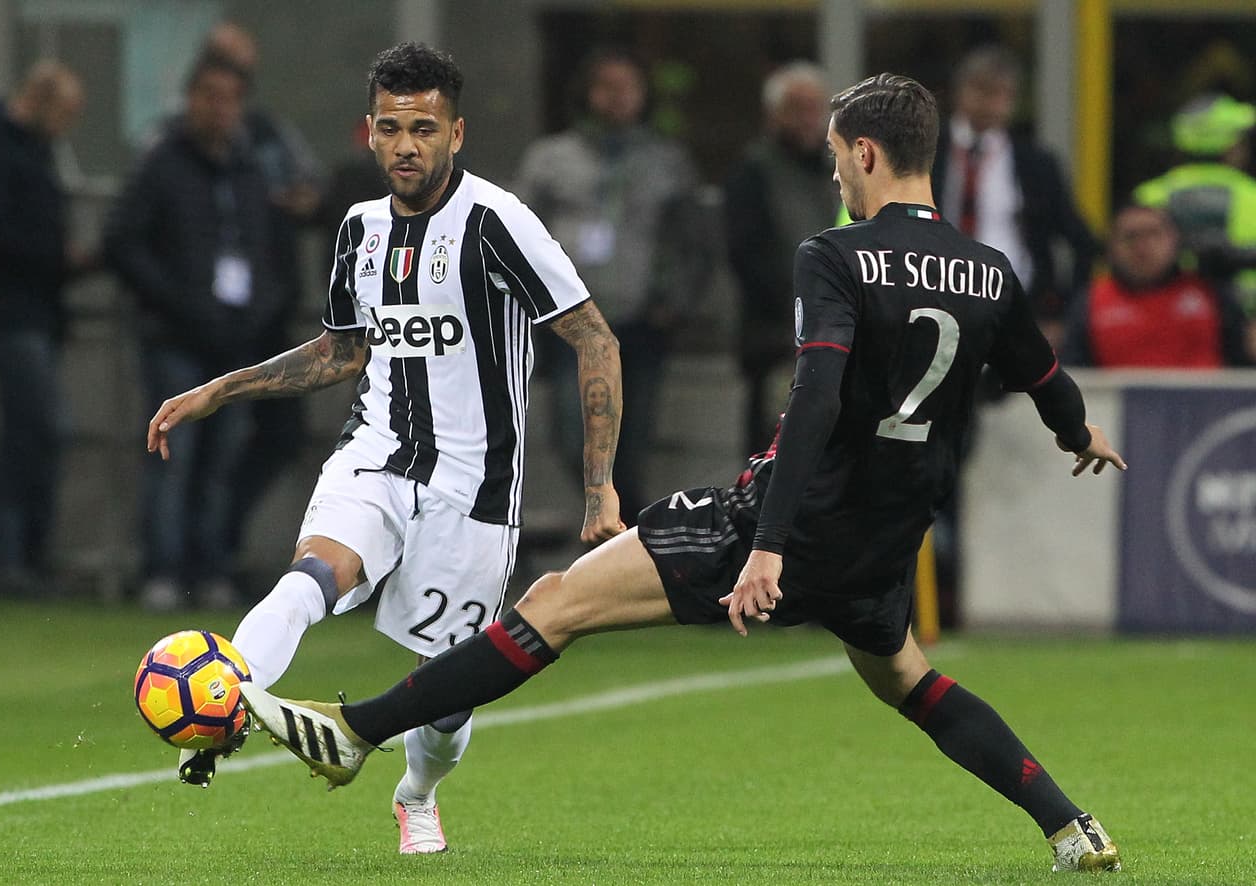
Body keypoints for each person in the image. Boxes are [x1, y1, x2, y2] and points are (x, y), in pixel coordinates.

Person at [241, 73, 1125, 874]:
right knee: (914, 683)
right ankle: (1069, 826)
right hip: (885, 535)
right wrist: (1079, 434)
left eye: (834, 160)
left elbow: (812, 399)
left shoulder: (836, 253)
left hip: (785, 518)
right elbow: (1046, 378)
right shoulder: (989, 271)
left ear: (865, 152)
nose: (835, 180)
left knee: (556, 602)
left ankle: (359, 733)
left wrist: (768, 545)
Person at [145, 43, 624, 855]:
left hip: (475, 487)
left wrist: (599, 488)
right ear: (368, 132)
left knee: (447, 703)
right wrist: (220, 388)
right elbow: (342, 352)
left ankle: (416, 790)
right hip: (378, 453)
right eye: (393, 127)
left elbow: (595, 339)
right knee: (310, 577)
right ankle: (223, 712)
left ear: (456, 134)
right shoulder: (359, 230)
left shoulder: (496, 221)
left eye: (425, 128)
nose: (407, 145)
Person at [106, 51, 284, 612]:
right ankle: (163, 573)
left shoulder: (250, 169)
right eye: (209, 96)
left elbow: (267, 250)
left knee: (223, 462)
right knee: (173, 456)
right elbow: (124, 241)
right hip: (177, 338)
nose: (220, 108)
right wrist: (178, 303)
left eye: (230, 98)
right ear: (189, 100)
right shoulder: (162, 165)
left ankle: (210, 569)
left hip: (234, 344)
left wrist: (258, 313)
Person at [517, 47, 706, 525]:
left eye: (628, 88)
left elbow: (694, 242)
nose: (618, 98)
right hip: (572, 322)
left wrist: (675, 303)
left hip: (640, 323)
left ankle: (624, 535)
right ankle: (611, 525)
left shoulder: (667, 160)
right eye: (608, 86)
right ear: (586, 92)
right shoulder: (552, 158)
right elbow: (518, 234)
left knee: (632, 438)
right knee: (570, 432)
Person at [200, 21, 326, 593]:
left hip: (267, 314)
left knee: (275, 435)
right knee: (212, 443)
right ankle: (196, 562)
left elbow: (310, 189)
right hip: (204, 323)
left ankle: (217, 547)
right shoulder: (177, 148)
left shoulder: (264, 139)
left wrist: (301, 202)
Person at [0, 61, 85, 596]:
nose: (66, 127)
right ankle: (10, 556)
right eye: (63, 114)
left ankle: (20, 554)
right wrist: (56, 257)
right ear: (40, 102)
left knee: (31, 432)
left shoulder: (26, 146)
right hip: (6, 313)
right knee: (37, 429)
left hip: (30, 311)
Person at [932, 45, 1098, 346]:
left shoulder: (1035, 164)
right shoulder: (926, 153)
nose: (989, 102)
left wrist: (1060, 313)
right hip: (931, 303)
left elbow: (1082, 241)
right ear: (959, 91)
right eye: (980, 89)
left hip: (1014, 307)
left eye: (1000, 93)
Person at [724, 61, 841, 457]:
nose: (809, 119)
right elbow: (747, 256)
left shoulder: (838, 174)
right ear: (773, 114)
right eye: (797, 108)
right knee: (771, 459)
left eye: (816, 107)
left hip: (837, 342)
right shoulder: (753, 172)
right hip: (776, 343)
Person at [1064, 203, 1253, 367]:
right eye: (1131, 237)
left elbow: (1241, 357)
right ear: (1111, 247)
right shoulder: (1091, 300)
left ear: (1175, 241)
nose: (1142, 246)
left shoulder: (1209, 293)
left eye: (1154, 234)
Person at [1133, 93, 1256, 318]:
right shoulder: (1252, 196)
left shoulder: (1148, 197)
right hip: (1245, 326)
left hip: (1162, 322)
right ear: (1232, 147)